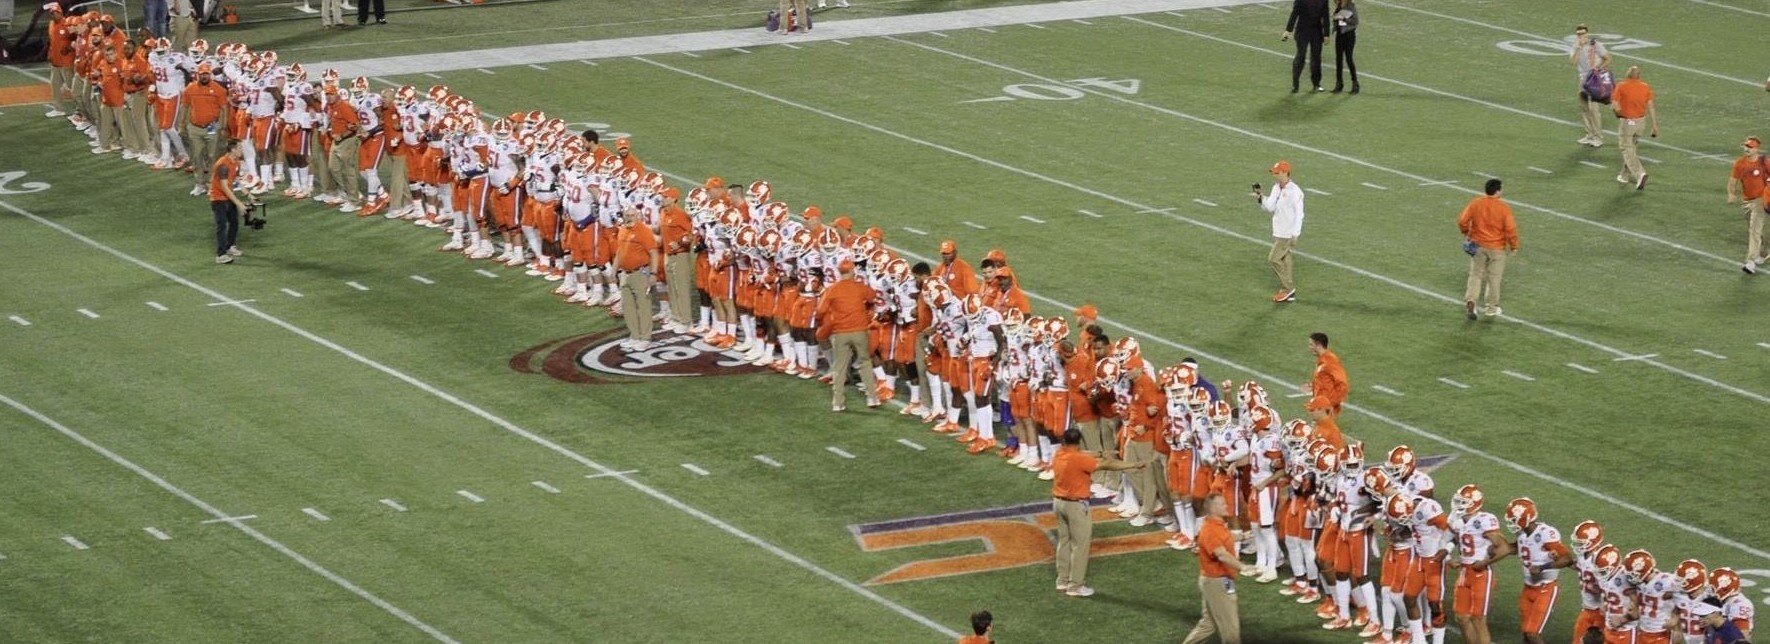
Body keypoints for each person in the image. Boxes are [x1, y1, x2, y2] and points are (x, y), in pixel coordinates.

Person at [1051, 427, 1145, 598]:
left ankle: (1062, 580)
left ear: (1064, 442)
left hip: (1058, 503)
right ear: (1078, 442)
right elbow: (1107, 465)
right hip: (1076, 506)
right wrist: (1133, 464)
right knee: (1080, 545)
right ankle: (1075, 586)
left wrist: (1101, 452)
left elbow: (1085, 453)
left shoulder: (1059, 453)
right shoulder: (1079, 459)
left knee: (1064, 542)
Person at [816, 260, 880, 412]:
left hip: (840, 333)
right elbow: (873, 297)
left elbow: (820, 311)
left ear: (839, 272)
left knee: (839, 367)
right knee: (864, 362)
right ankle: (872, 398)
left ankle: (837, 403)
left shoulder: (832, 289)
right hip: (859, 331)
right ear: (852, 271)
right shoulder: (859, 287)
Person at [1183, 493, 1246, 644]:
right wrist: (1243, 567)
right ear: (1212, 508)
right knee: (1231, 632)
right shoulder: (1210, 530)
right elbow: (1221, 555)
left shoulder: (1216, 525)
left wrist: (1244, 536)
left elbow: (1225, 538)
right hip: (1218, 583)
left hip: (1212, 581)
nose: (1226, 506)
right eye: (1222, 504)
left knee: (1208, 624)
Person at [1458, 178, 1519, 319]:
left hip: (1478, 246)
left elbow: (1462, 221)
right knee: (1494, 279)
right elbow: (1511, 229)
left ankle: (1471, 301)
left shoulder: (1476, 203)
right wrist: (1514, 246)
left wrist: (1466, 232)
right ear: (1498, 191)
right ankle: (1491, 308)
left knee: (1476, 275)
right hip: (1497, 248)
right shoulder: (1503, 208)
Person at [1252, 160, 1304, 302]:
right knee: (1285, 258)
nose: (1274, 175)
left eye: (1277, 173)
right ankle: (1289, 291)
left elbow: (1300, 214)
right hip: (1278, 230)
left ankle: (1288, 288)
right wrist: (1261, 198)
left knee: (1273, 259)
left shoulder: (1295, 192)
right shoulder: (1276, 188)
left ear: (1285, 173)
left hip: (1287, 233)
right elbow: (1270, 207)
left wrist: (1296, 234)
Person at [614, 207, 660, 350]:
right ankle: (635, 335)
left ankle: (645, 337)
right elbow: (619, 251)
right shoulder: (622, 230)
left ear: (638, 216)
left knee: (643, 306)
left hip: (640, 273)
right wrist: (614, 269)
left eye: (633, 215)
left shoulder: (644, 231)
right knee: (628, 307)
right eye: (627, 215)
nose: (630, 217)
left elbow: (653, 252)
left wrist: (653, 273)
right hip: (625, 274)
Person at [181, 61, 228, 197]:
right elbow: (185, 107)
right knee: (197, 156)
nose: (204, 77)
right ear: (197, 75)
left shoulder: (219, 89)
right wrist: (182, 124)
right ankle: (199, 184)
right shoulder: (190, 89)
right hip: (195, 127)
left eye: (206, 74)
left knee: (213, 156)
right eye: (202, 74)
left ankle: (211, 184)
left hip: (212, 126)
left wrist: (223, 126)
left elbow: (224, 108)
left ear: (210, 75)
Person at [1727, 137, 1770, 275]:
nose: (1747, 149)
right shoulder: (1740, 163)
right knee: (1755, 230)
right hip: (1747, 201)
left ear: (1756, 149)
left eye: (1750, 147)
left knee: (1754, 230)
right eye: (1746, 146)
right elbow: (1732, 181)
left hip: (1760, 200)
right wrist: (1731, 194)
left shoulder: (1764, 163)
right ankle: (1760, 253)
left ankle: (1750, 262)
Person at [1610, 66, 1658, 190]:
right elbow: (1651, 107)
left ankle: (1640, 174)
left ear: (1628, 75)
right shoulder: (1645, 87)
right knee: (1632, 148)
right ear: (1639, 76)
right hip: (1641, 123)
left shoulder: (1621, 86)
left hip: (1628, 123)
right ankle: (1624, 175)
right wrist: (1654, 125)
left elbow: (1615, 104)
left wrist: (1617, 113)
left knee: (1626, 149)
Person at [659, 187, 697, 333]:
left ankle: (687, 321)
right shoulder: (663, 212)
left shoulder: (680, 214)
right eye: (663, 195)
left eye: (666, 196)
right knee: (672, 288)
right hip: (668, 255)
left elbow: (691, 234)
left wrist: (680, 243)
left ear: (674, 199)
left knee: (681, 289)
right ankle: (676, 317)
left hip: (680, 255)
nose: (663, 198)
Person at [1571, 24, 1611, 148]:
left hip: (1594, 80)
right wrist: (1578, 48)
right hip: (1583, 80)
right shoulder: (1575, 46)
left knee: (1594, 109)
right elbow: (1573, 63)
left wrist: (1598, 70)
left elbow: (1608, 58)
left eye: (1583, 33)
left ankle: (1599, 137)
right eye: (1579, 34)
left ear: (1587, 33)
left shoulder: (1595, 45)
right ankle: (1590, 135)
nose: (1581, 36)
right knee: (1584, 107)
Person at [209, 142, 247, 264]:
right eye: (239, 148)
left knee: (234, 222)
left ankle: (230, 246)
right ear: (232, 150)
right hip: (218, 198)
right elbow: (224, 187)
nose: (242, 150)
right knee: (222, 226)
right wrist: (238, 203)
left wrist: (247, 193)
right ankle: (220, 255)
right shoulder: (223, 165)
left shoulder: (235, 162)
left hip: (227, 197)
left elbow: (235, 178)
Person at [1284, 0, 1330, 93]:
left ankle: (1316, 84)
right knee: (1301, 56)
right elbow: (1294, 13)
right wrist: (1288, 30)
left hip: (1317, 32)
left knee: (1316, 58)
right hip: (1302, 31)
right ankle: (1295, 83)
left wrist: (1326, 34)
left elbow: (1326, 16)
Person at [1302, 332, 1346, 415]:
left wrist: (1331, 404)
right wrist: (1313, 385)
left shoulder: (1330, 361)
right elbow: (1325, 380)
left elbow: (1343, 384)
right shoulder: (1321, 359)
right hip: (1320, 406)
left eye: (1311, 344)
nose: (1309, 348)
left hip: (1326, 407)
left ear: (1318, 345)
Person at [1331, 0, 1358, 94]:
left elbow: (1355, 21)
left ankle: (1355, 83)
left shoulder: (1350, 6)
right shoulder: (1338, 6)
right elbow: (1336, 20)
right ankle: (1339, 84)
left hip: (1349, 35)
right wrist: (1335, 19)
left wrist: (1344, 19)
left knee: (1349, 58)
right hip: (1340, 35)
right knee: (1338, 59)